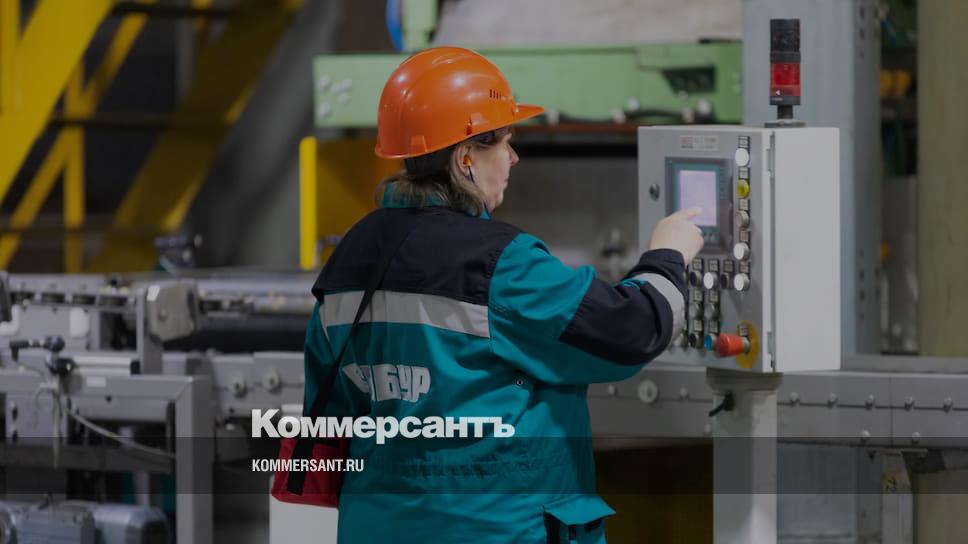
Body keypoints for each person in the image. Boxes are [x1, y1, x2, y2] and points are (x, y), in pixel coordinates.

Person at [302, 46, 704, 543]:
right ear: (466, 157)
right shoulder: (501, 264)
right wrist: (668, 254)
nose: (513, 157)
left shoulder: (349, 257)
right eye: (505, 142)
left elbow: (332, 415)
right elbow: (632, 329)